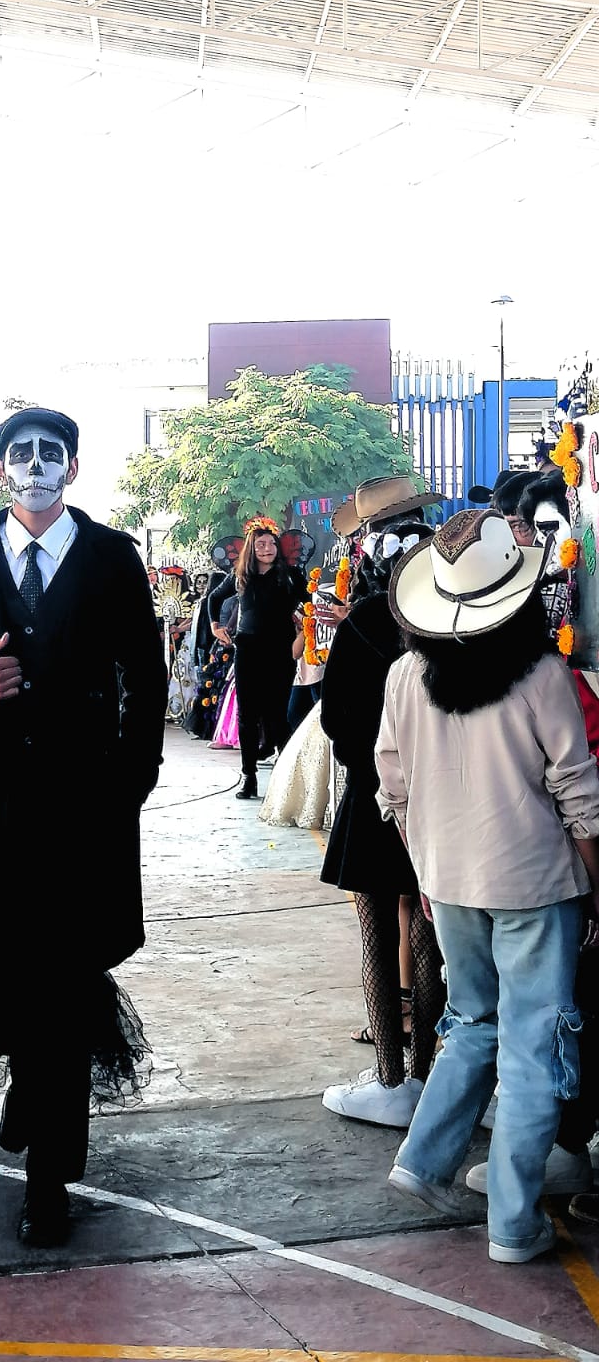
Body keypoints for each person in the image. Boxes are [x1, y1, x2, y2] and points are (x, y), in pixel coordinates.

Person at [0, 407, 163, 1248]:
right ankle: (30, 1090)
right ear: (2, 470)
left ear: (74, 469)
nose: (37, 464)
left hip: (85, 810)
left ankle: (48, 1178)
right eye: (22, 453)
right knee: (11, 977)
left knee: (60, 983)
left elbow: (146, 674)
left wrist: (133, 775)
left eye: (52, 453)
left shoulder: (112, 558)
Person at [377, 508, 599, 1264]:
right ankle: (512, 1221)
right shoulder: (542, 676)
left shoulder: (404, 675)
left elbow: (393, 790)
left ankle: (423, 1160)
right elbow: (579, 796)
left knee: (473, 1023)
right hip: (535, 884)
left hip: (451, 882)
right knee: (534, 1046)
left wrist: (431, 875)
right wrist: (596, 888)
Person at [318, 519, 444, 1129]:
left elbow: (336, 720)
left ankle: (391, 1082)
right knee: (428, 937)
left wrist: (365, 764)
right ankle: (425, 1075)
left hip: (373, 803)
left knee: (374, 934)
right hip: (440, 804)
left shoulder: (362, 621)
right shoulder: (456, 620)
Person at [207, 522, 307, 800]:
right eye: (261, 544)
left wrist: (303, 632)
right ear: (251, 548)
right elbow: (213, 598)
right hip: (248, 649)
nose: (268, 549)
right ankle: (248, 776)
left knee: (278, 715)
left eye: (272, 544)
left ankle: (287, 778)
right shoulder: (239, 576)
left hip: (280, 651)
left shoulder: (291, 575)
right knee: (247, 715)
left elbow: (309, 604)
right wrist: (216, 625)